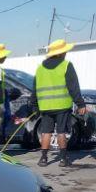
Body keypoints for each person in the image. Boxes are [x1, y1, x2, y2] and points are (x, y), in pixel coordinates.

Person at [31, 39, 87, 167]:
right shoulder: (66, 65)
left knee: (46, 132)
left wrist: (35, 106)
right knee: (61, 132)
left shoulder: (40, 68)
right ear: (61, 52)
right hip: (62, 106)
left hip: (45, 107)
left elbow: (34, 89)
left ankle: (43, 159)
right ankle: (63, 159)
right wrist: (80, 104)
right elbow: (73, 87)